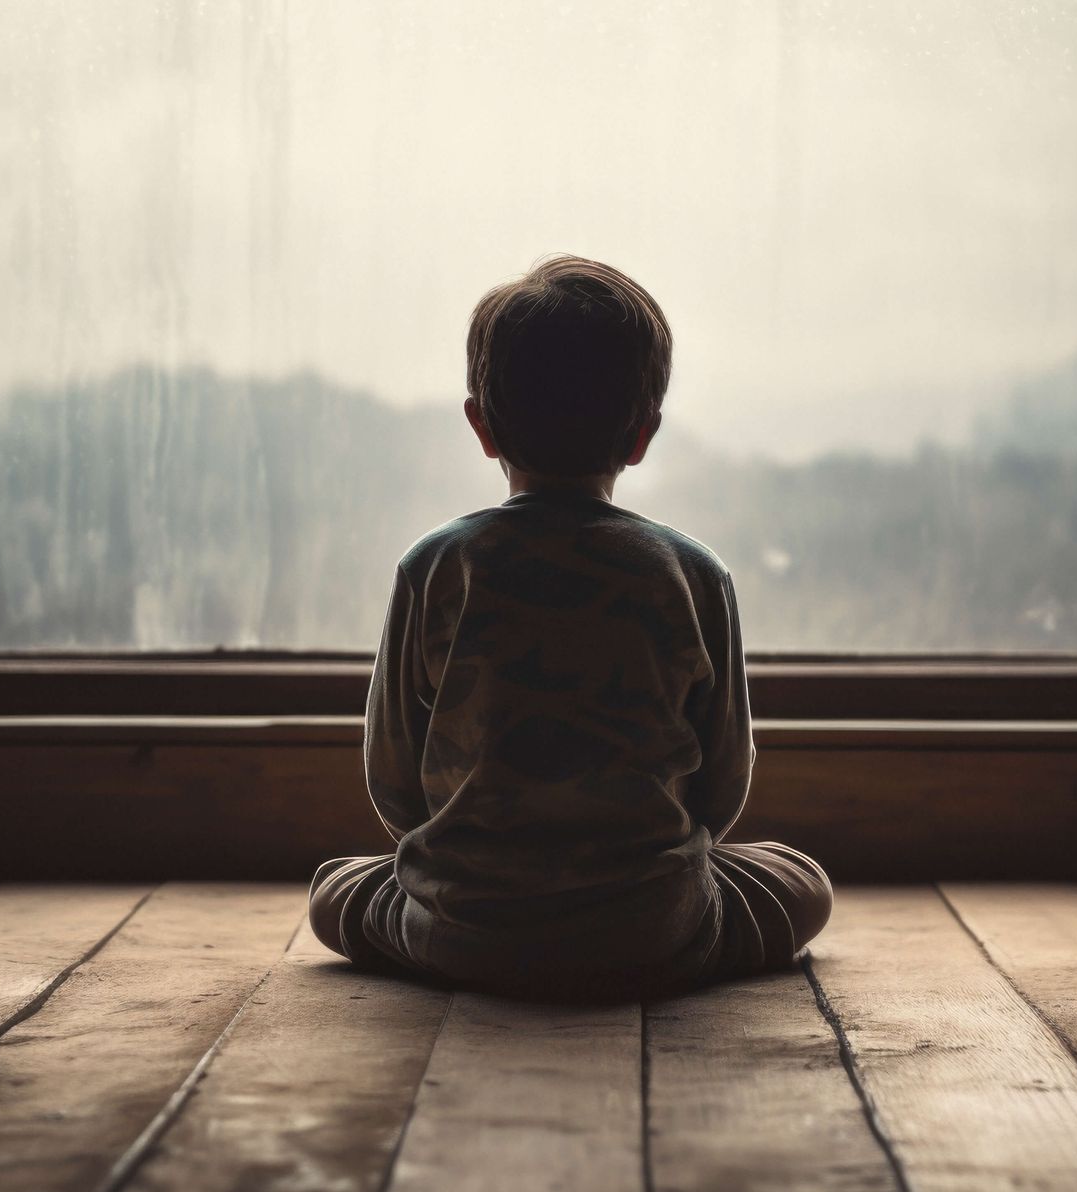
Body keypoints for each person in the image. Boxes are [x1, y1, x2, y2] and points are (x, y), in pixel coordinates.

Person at [309, 255, 831, 1000]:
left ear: (481, 426)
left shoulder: (434, 566)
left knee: (335, 889)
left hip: (464, 928)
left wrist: (471, 866)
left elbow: (392, 782)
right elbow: (723, 785)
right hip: (653, 928)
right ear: (642, 434)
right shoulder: (691, 572)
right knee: (802, 879)